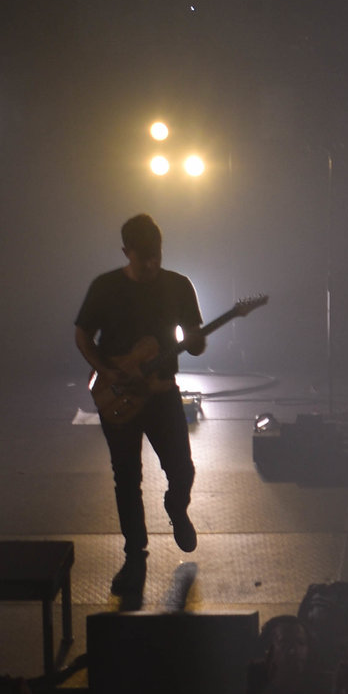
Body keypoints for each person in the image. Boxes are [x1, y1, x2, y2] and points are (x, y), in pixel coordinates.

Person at [75, 213, 205, 600]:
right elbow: (83, 334)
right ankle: (136, 557)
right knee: (126, 478)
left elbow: (196, 344)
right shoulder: (106, 287)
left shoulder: (178, 286)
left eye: (156, 255)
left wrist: (197, 339)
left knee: (182, 467)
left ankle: (175, 505)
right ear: (125, 251)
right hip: (120, 396)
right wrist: (107, 372)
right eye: (142, 256)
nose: (151, 264)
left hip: (163, 392)